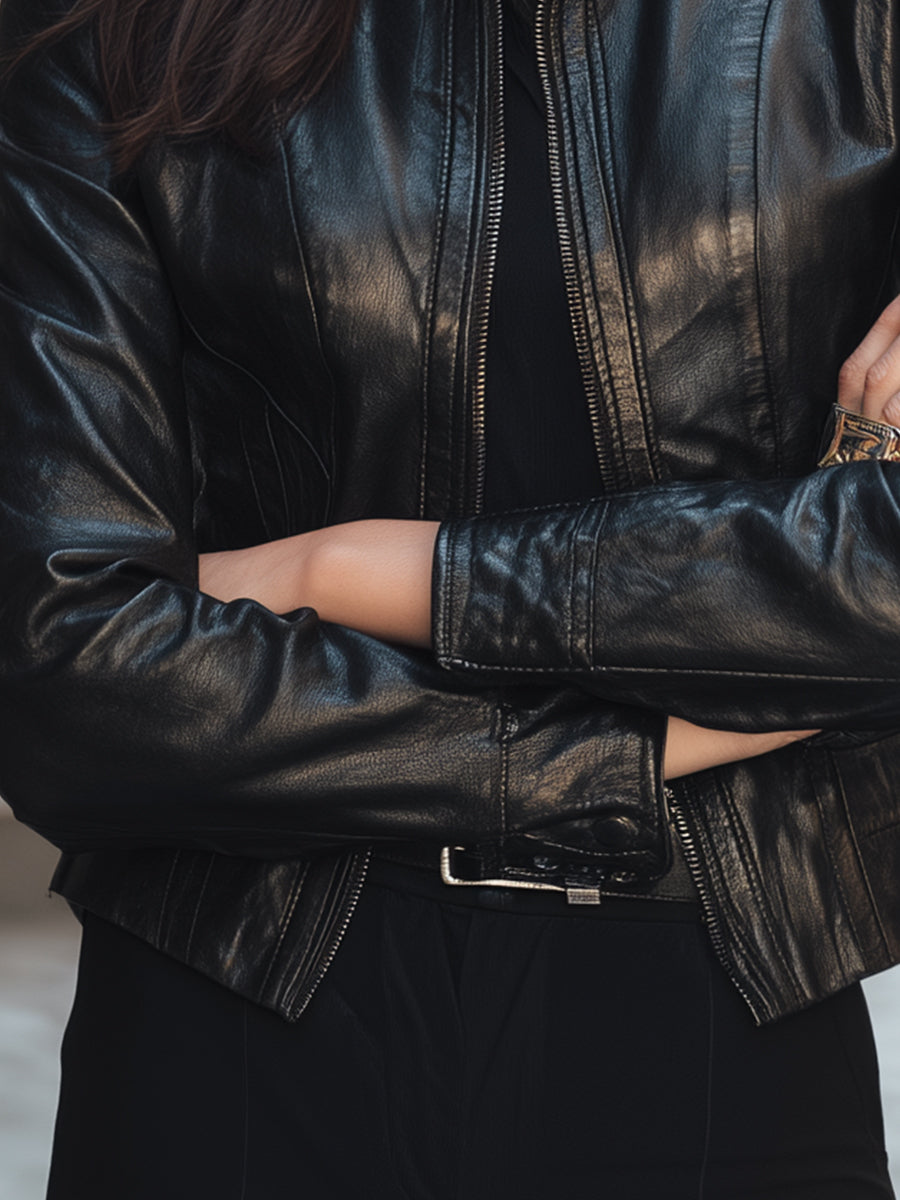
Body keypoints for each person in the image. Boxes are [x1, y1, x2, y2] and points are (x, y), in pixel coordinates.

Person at [1, 0, 899, 1195]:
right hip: (238, 1015)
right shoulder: (114, 33)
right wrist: (631, 749)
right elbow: (65, 678)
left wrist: (360, 571)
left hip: (732, 1028)